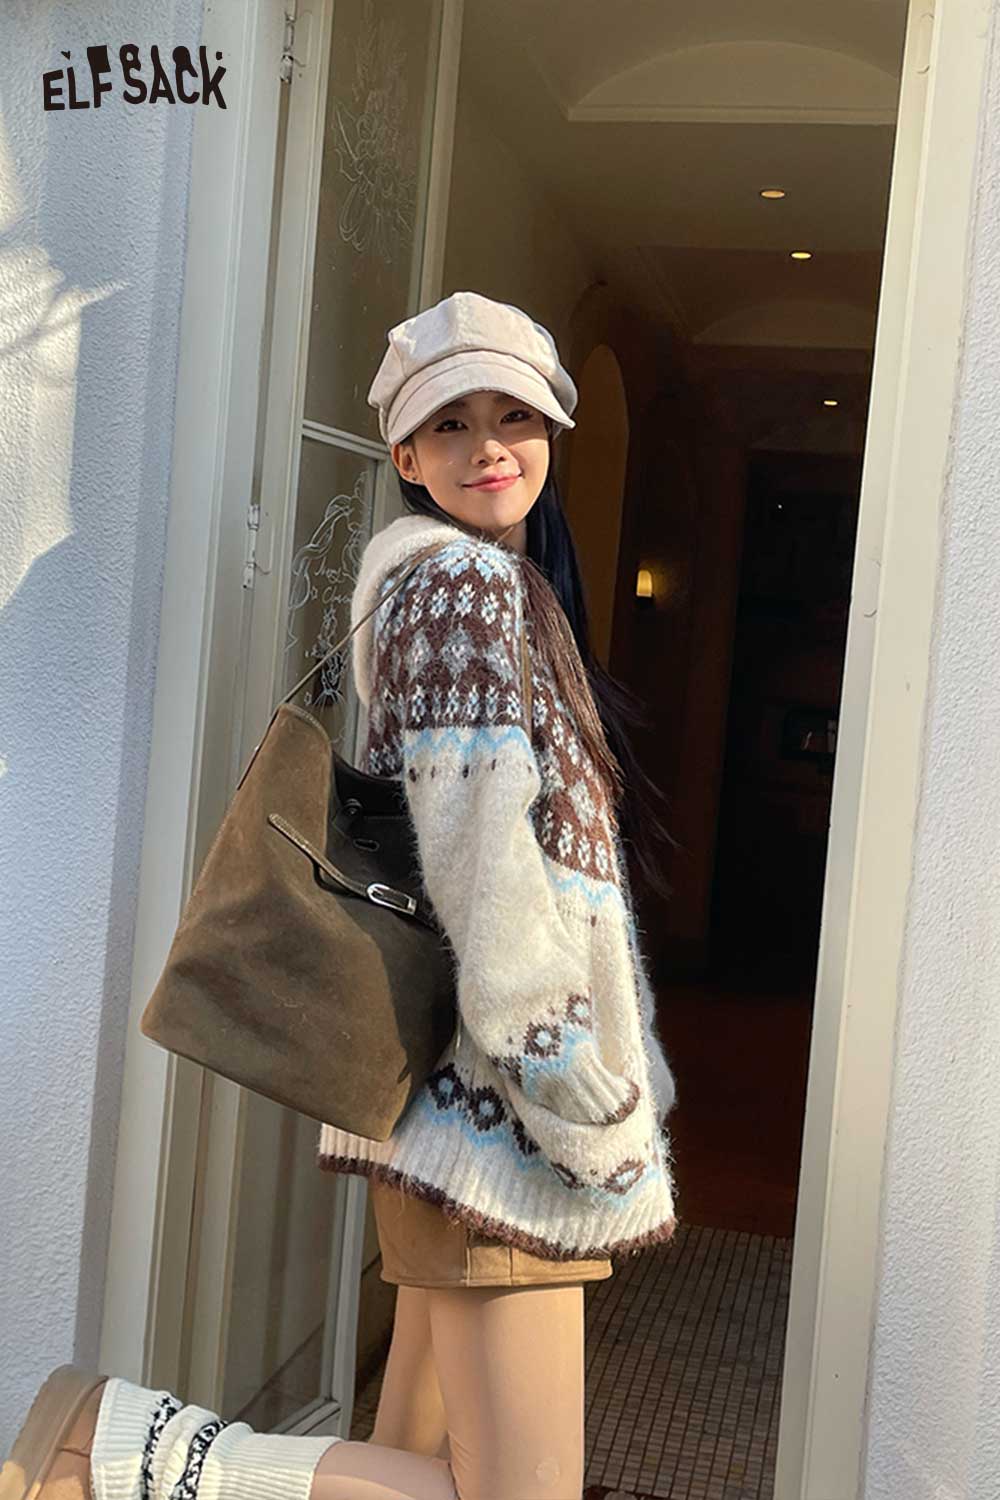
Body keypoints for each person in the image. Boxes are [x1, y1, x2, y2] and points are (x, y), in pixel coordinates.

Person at [1, 291, 679, 1500]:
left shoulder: (479, 587)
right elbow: (476, 836)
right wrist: (557, 1049)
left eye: (514, 416)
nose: (489, 449)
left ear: (551, 433)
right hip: (503, 1116)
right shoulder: (463, 586)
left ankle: (117, 1453)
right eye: (452, 424)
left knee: (419, 1455)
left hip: (457, 1110)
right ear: (406, 455)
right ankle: (123, 1457)